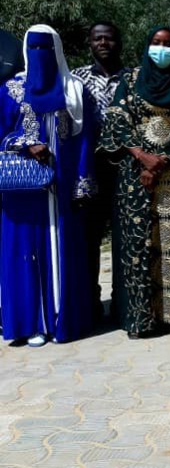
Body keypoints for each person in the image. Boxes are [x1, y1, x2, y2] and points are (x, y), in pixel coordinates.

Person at [99, 26, 170, 339]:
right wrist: (142, 156)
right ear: (147, 47)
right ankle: (141, 319)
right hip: (135, 179)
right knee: (138, 246)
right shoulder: (130, 80)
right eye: (157, 43)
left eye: (169, 44)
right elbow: (117, 122)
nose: (162, 49)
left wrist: (162, 160)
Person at [0, 25, 97, 346]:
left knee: (63, 250)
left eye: (46, 48)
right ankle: (31, 324)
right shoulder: (11, 90)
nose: (40, 55)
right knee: (24, 252)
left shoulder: (73, 90)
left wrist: (82, 184)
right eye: (34, 48)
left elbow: (86, 139)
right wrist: (24, 143)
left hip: (63, 187)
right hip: (23, 191)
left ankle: (63, 320)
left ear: (56, 50)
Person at [70, 22, 133, 323]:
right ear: (89, 43)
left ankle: (123, 302)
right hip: (89, 169)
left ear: (118, 42)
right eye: (98, 38)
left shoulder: (133, 78)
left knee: (124, 238)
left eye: (109, 37)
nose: (104, 43)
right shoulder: (76, 78)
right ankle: (91, 302)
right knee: (90, 237)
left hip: (125, 169)